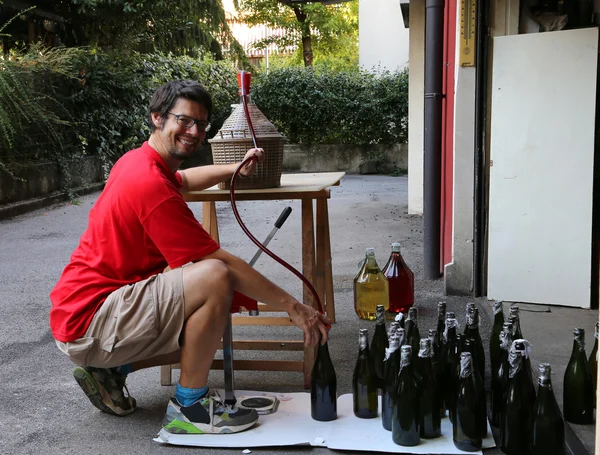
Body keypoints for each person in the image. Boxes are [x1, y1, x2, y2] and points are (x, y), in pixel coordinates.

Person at [49, 79, 331, 435]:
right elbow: (219, 263)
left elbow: (182, 180)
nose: (194, 131)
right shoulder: (148, 183)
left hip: (87, 312)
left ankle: (112, 370)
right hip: (91, 320)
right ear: (157, 118)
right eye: (184, 120)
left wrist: (234, 169)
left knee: (206, 321)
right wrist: (294, 306)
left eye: (201, 123)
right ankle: (189, 408)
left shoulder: (141, 162)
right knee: (213, 278)